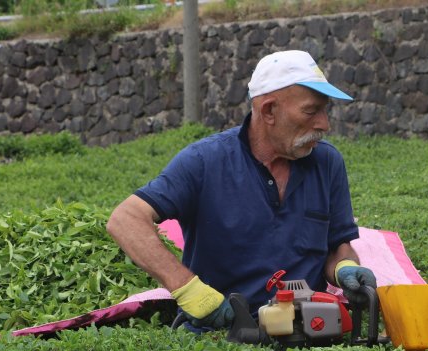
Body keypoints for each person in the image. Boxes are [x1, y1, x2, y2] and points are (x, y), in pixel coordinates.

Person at [106, 50, 377, 333]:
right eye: (311, 111)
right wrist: (188, 290)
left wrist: (345, 267)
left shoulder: (327, 162)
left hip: (309, 331)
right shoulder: (204, 161)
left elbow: (337, 244)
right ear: (269, 111)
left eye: (325, 110)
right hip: (223, 332)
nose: (324, 124)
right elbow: (125, 220)